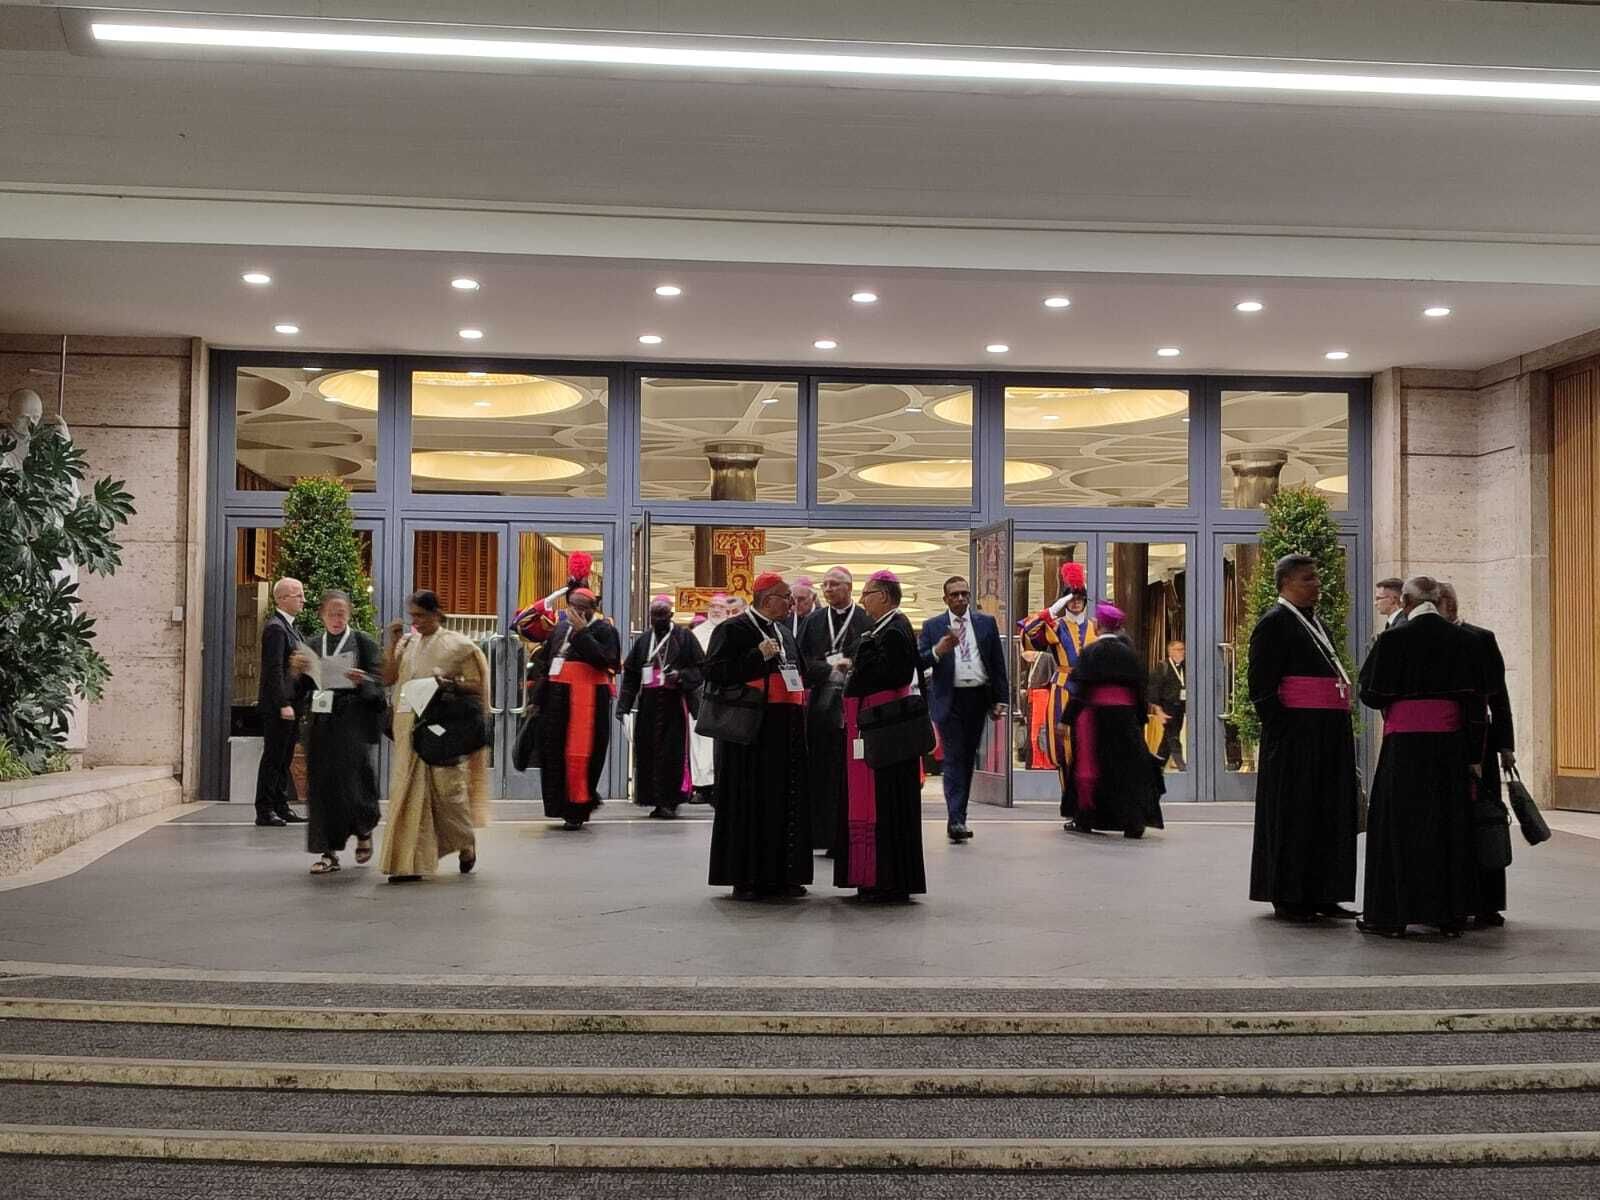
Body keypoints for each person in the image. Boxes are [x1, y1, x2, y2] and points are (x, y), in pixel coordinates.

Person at [1357, 576, 1488, 938]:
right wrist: (1473, 753)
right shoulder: (1465, 640)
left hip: (1404, 747)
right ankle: (1447, 915)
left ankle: (1391, 916)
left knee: (1397, 827)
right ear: (1438, 600)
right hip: (1449, 748)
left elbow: (1370, 693)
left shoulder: (1393, 639)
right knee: (1447, 826)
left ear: (1407, 602)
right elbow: (1477, 702)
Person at [1246, 554, 1361, 923]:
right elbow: (1262, 687)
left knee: (1329, 812)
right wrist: (1283, 732)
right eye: (1308, 579)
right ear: (1286, 583)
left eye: (1317, 577)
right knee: (1297, 813)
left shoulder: (1317, 623)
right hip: (1297, 737)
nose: (1317, 584)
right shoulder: (1275, 623)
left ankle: (1326, 892)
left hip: (1328, 734)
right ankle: (1291, 895)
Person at [705, 573, 814, 900]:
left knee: (787, 801)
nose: (791, 604)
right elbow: (714, 672)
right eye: (786, 597)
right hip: (752, 731)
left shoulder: (784, 631)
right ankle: (749, 878)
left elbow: (800, 671)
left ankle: (785, 875)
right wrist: (757, 656)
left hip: (788, 727)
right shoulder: (733, 629)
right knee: (751, 803)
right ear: (767, 599)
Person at [378, 590, 490, 882]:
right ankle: (408, 862)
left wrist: (449, 684)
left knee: (448, 795)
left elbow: (478, 687)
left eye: (422, 616)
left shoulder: (460, 646)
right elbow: (388, 678)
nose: (417, 622)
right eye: (413, 615)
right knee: (408, 794)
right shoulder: (407, 644)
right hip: (407, 729)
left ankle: (466, 842)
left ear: (438, 613)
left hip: (440, 732)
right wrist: (392, 644)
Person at [837, 571, 926, 902]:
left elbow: (894, 674)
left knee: (883, 803)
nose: (863, 601)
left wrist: (864, 658)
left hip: (883, 729)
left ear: (885, 596)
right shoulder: (884, 628)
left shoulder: (894, 629)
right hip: (878, 725)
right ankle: (876, 877)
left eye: (867, 593)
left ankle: (883, 879)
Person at [1438, 582, 1517, 929]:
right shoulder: (1428, 639)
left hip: (1479, 741)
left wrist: (1506, 746)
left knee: (1483, 821)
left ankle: (1487, 902)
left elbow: (1498, 697)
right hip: (1442, 742)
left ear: (1449, 605)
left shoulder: (1480, 638)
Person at [294, 590, 384, 874]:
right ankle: (327, 851)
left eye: (341, 613)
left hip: (353, 720)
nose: (336, 618)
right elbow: (299, 691)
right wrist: (297, 673)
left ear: (350, 614)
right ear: (321, 614)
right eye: (331, 613)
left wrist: (364, 681)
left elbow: (380, 684)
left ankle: (364, 830)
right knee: (321, 787)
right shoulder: (311, 644)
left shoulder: (363, 643)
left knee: (355, 779)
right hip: (322, 722)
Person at [1059, 604, 1165, 837]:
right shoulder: (1131, 654)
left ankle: (1086, 818)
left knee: (1093, 767)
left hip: (1096, 718)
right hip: (1126, 720)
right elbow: (1139, 689)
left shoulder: (1091, 652)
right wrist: (1139, 720)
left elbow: (1080, 689)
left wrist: (1067, 719)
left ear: (1098, 626)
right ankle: (1133, 821)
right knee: (1129, 769)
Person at [919, 574, 1008, 843]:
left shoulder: (986, 624)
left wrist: (1000, 699)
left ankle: (959, 815)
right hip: (949, 698)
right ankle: (956, 819)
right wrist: (939, 650)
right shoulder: (933, 626)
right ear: (945, 598)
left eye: (964, 594)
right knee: (954, 758)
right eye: (954, 594)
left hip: (977, 698)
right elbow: (920, 660)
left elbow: (996, 664)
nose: (960, 598)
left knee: (967, 758)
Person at [526, 586, 622, 830]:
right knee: (554, 752)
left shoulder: (605, 629)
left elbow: (607, 661)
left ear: (593, 609)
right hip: (556, 698)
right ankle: (558, 805)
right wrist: (537, 700)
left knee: (582, 754)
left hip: (588, 699)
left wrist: (582, 633)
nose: (578, 611)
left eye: (583, 607)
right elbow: (547, 664)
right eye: (574, 606)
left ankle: (577, 809)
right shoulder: (559, 628)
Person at [797, 566, 870, 853]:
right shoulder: (814, 621)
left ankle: (848, 834)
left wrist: (851, 667)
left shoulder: (865, 619)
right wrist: (828, 669)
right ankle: (822, 834)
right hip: (820, 706)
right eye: (825, 585)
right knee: (821, 769)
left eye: (834, 584)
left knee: (851, 770)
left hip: (854, 703)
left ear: (849, 588)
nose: (828, 589)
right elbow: (801, 662)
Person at [617, 595, 705, 819]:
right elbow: (632, 674)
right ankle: (654, 799)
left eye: (662, 615)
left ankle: (670, 801)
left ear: (671, 615)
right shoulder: (644, 640)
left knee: (671, 753)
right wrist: (624, 706)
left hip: (675, 702)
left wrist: (681, 676)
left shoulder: (684, 638)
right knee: (647, 751)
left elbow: (702, 668)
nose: (658, 619)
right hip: (648, 703)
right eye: (654, 616)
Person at [1020, 562, 1096, 797]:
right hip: (1062, 688)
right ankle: (1069, 798)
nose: (1075, 602)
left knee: (1091, 745)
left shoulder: (1096, 627)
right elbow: (1029, 631)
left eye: (1079, 598)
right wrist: (1054, 609)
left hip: (1090, 691)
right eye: (1071, 598)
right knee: (1064, 748)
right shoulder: (1057, 625)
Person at [254, 577, 310, 827]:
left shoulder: (291, 628)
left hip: (292, 705)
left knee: (284, 757)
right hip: (280, 707)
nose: (303, 599)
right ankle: (265, 810)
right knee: (273, 757)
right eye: (298, 595)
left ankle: (281, 805)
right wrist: (282, 704)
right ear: (282, 598)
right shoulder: (276, 628)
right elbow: (273, 670)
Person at [688, 593, 730, 803]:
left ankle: (720, 785)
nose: (716, 610)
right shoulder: (697, 633)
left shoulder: (733, 630)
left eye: (720, 607)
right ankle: (702, 787)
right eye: (712, 606)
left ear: (727, 610)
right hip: (702, 694)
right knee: (700, 741)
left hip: (727, 695)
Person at [512, 551, 594, 643]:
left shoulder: (558, 620)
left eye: (582, 601)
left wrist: (548, 601)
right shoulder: (558, 619)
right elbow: (519, 623)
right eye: (575, 601)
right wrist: (546, 602)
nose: (578, 606)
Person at [1149, 639, 1187, 770]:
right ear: (1170, 651)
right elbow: (1153, 690)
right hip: (1167, 707)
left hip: (1181, 707)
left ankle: (1157, 766)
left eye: (1183, 649)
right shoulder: (1162, 667)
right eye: (1178, 649)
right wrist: (1158, 711)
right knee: (1173, 735)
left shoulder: (1185, 667)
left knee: (1168, 737)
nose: (1182, 652)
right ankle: (1181, 764)